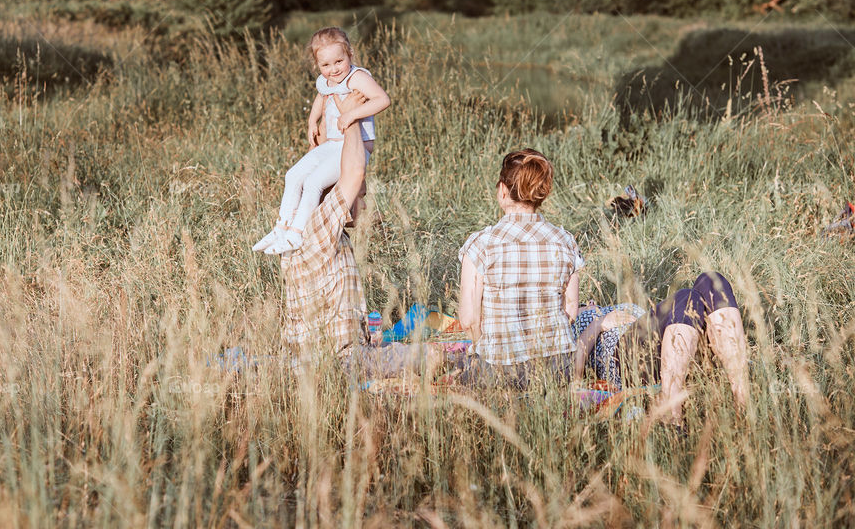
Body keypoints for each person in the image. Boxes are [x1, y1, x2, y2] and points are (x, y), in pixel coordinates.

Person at [277, 87, 439, 379]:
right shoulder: (319, 223)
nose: (364, 202)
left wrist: (330, 124)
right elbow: (352, 172)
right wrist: (350, 119)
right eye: (361, 196)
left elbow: (330, 162)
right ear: (338, 194)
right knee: (435, 355)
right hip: (338, 362)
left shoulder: (308, 224)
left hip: (316, 359)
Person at [254, 27, 391, 255]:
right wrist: (312, 120)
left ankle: (296, 234)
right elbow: (322, 96)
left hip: (354, 146)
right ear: (317, 64)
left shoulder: (357, 77)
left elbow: (382, 99)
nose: (333, 69)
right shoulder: (325, 80)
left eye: (339, 61)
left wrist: (351, 114)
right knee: (293, 175)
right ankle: (282, 227)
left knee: (314, 182)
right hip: (332, 145)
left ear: (350, 54)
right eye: (325, 65)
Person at [456, 149, 583, 388]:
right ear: (541, 194)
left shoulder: (481, 244)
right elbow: (571, 310)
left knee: (458, 371)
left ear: (503, 190)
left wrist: (483, 350)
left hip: (500, 370)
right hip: (557, 368)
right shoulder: (565, 241)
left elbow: (469, 320)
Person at [571, 272, 750, 422]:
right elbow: (574, 368)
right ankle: (671, 413)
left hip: (673, 343)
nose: (589, 303)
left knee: (711, 280)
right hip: (624, 360)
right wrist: (598, 323)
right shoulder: (572, 323)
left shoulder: (612, 307)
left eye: (588, 302)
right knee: (686, 297)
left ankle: (742, 400)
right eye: (582, 305)